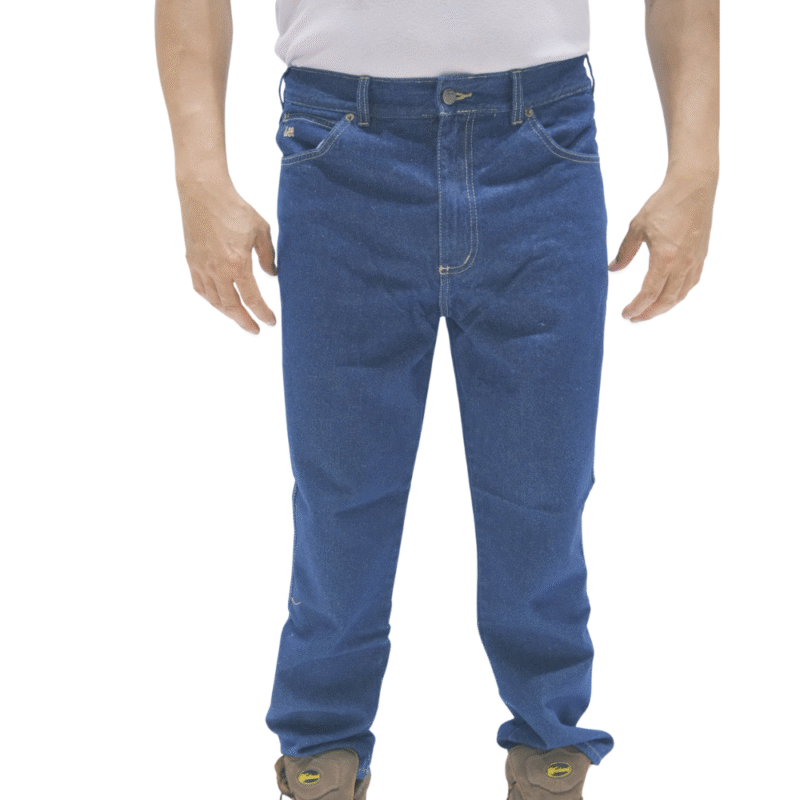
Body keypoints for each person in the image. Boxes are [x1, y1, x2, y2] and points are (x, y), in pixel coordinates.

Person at [155, 1, 719, 798]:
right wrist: (198, 175)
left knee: (545, 488)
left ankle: (549, 738)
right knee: (340, 494)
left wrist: (696, 169)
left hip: (539, 147)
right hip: (341, 154)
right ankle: (322, 741)